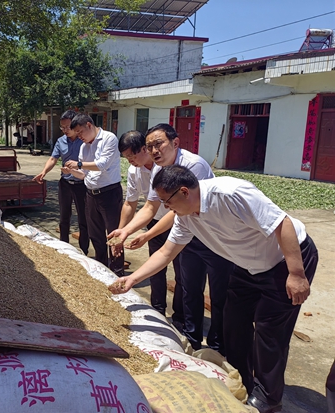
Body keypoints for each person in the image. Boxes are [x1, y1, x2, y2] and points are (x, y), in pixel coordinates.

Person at [109, 165, 318, 413]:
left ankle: (269, 399)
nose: (166, 208)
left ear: (184, 192)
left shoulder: (230, 193)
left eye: (167, 201)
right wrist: (133, 279)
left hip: (285, 260)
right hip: (247, 265)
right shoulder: (185, 217)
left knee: (270, 332)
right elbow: (166, 252)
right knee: (233, 324)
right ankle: (244, 383)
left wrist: (296, 273)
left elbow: (281, 224)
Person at [109, 123, 233, 353]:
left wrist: (147, 234)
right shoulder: (159, 169)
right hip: (188, 231)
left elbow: (178, 210)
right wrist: (126, 230)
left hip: (214, 235)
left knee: (219, 292)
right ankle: (192, 338)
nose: (155, 151)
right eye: (150, 146)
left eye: (159, 144)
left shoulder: (194, 165)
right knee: (189, 288)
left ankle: (218, 344)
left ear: (175, 143)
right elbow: (151, 207)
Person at [116, 130, 183, 321]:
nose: (129, 160)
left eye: (132, 155)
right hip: (154, 222)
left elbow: (167, 207)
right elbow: (132, 203)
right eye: (126, 157)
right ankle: (158, 310)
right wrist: (121, 233)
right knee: (155, 269)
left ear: (144, 149)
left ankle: (180, 316)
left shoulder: (167, 167)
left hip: (179, 221)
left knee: (182, 274)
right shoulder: (134, 171)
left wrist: (145, 235)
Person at [64, 114, 124, 276]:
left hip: (109, 193)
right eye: (77, 134)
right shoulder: (84, 147)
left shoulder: (109, 139)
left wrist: (79, 164)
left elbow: (102, 165)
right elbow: (84, 174)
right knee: (95, 233)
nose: (80, 136)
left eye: (81, 132)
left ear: (89, 125)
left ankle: (118, 271)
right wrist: (72, 171)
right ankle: (102, 267)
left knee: (114, 234)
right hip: (91, 194)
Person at [33, 110, 89, 255]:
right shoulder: (61, 141)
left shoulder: (84, 141)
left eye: (68, 127)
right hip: (65, 184)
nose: (65, 131)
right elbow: (53, 158)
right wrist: (44, 172)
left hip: (82, 184)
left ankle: (84, 251)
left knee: (83, 219)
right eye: (62, 127)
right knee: (64, 217)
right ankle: (64, 250)